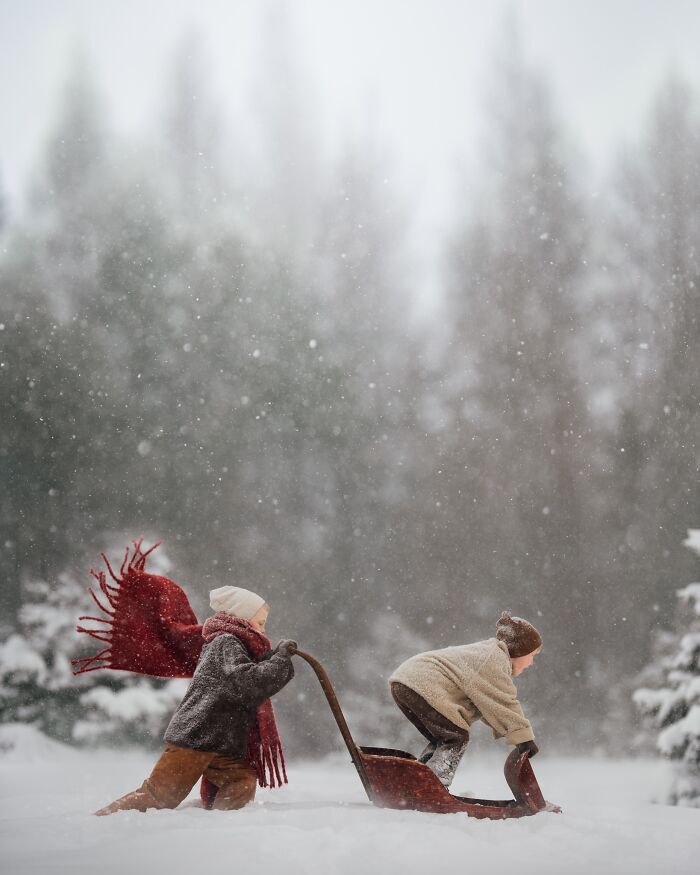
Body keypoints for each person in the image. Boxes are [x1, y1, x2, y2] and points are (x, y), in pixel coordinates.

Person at [95, 585, 296, 815]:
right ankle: (103, 819)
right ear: (241, 619)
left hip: (218, 741)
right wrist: (279, 661)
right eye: (259, 623)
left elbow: (247, 674)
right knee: (159, 796)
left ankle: (220, 828)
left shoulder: (232, 645)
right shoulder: (225, 643)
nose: (263, 630)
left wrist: (273, 659)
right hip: (196, 736)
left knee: (240, 781)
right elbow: (247, 683)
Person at [388, 611, 541, 788]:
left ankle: (418, 781)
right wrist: (523, 737)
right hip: (420, 683)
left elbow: (489, 706)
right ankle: (432, 786)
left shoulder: (487, 654)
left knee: (443, 739)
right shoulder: (494, 659)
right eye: (532, 656)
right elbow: (503, 703)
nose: (532, 663)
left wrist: (512, 732)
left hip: (406, 682)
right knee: (455, 738)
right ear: (519, 650)